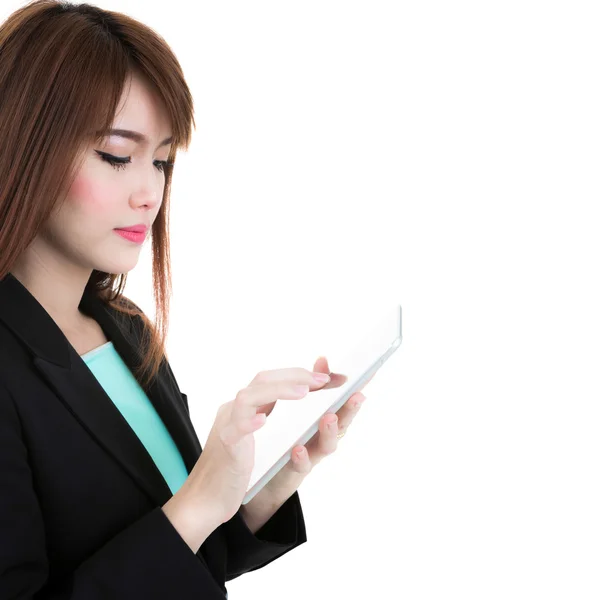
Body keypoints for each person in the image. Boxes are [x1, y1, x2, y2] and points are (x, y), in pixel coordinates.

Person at [0, 1, 369, 598]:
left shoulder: (126, 330)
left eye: (163, 160)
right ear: (23, 145)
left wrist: (260, 483)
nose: (150, 191)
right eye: (117, 156)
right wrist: (197, 502)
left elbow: (186, 560)